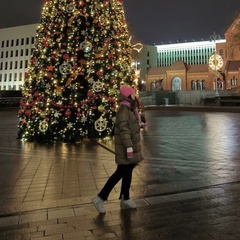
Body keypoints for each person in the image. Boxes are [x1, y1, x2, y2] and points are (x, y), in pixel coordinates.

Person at [92, 85, 144, 213]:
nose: (134, 95)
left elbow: (131, 125)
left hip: (130, 146)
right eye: (132, 93)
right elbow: (124, 129)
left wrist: (140, 124)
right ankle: (100, 198)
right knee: (120, 172)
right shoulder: (124, 109)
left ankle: (125, 198)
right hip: (126, 147)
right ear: (127, 95)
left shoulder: (131, 109)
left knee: (128, 171)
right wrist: (129, 147)